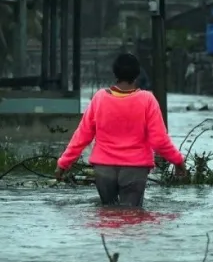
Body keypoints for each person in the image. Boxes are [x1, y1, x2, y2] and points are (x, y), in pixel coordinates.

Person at [55, 53, 186, 207]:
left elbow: (82, 136)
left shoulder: (99, 98)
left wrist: (63, 163)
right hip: (135, 169)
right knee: (132, 216)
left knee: (108, 216)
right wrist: (178, 161)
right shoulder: (147, 100)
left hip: (104, 170)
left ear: (115, 73)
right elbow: (159, 141)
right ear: (137, 74)